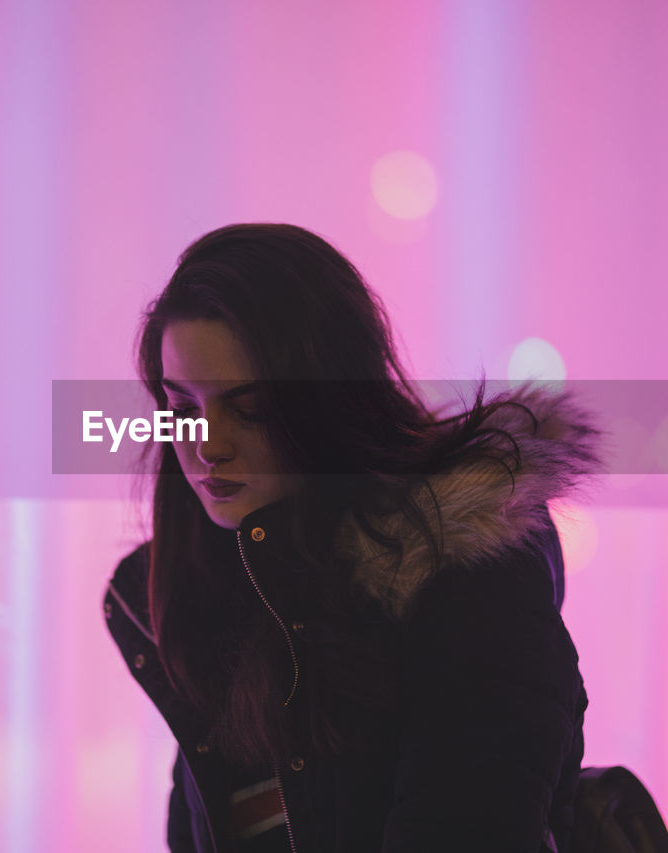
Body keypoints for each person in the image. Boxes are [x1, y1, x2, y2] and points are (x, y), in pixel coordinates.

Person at [102, 223, 604, 852]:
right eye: (182, 410)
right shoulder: (213, 599)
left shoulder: (469, 582)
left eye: (249, 408)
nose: (207, 446)